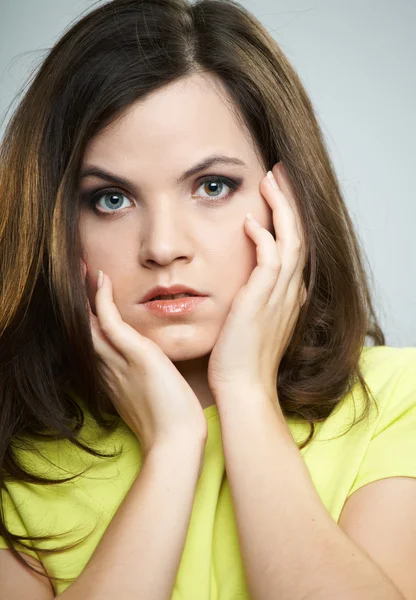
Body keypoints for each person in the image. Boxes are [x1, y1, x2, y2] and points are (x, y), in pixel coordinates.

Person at [0, 0, 415, 598]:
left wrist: (245, 395)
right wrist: (171, 449)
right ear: (55, 225)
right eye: (111, 199)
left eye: (212, 186)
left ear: (288, 201)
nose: (163, 247)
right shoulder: (17, 458)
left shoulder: (396, 403)